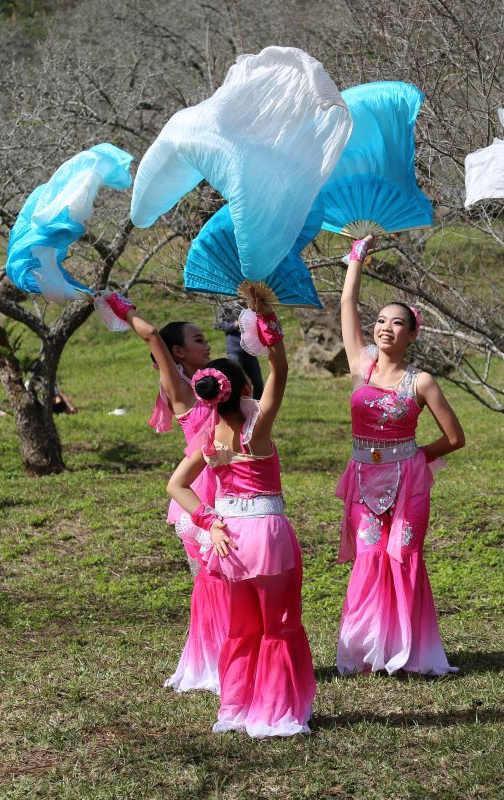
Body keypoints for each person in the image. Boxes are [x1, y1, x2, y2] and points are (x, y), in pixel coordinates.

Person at [166, 284, 315, 737]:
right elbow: (281, 371)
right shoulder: (257, 428)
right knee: (279, 625)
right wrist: (268, 327)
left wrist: (208, 522)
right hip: (266, 535)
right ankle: (274, 711)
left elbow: (176, 486)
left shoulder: (209, 438)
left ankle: (235, 708)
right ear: (245, 387)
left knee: (242, 629)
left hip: (227, 536)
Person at [335, 236, 465, 677]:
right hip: (362, 479)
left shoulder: (422, 381)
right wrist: (357, 259)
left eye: (397, 324)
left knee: (402, 557)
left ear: (412, 334)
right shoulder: (360, 365)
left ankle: (410, 652)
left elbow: (454, 437)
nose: (385, 328)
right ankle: (370, 651)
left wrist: (413, 456)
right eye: (381, 321)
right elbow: (347, 304)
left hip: (408, 481)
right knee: (371, 558)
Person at [106, 293, 228, 696]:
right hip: (197, 494)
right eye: (197, 340)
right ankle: (211, 662)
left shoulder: (218, 387)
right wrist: (122, 307)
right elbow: (153, 335)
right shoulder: (180, 388)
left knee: (230, 578)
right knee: (209, 579)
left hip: (230, 488)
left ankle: (232, 655)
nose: (206, 344)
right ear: (177, 352)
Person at [214, 299, 265, 400]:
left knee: (258, 383)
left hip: (250, 350)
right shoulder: (228, 305)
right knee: (236, 382)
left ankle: (257, 409)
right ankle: (237, 408)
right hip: (235, 351)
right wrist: (234, 325)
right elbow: (217, 324)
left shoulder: (251, 305)